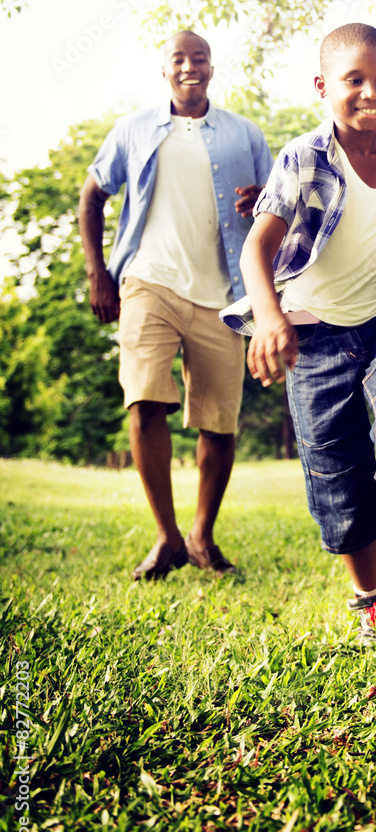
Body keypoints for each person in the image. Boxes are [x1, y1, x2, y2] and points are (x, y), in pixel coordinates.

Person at [223, 23, 376, 649]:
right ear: (322, 86)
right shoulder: (304, 157)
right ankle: (369, 597)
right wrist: (271, 317)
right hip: (314, 331)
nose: (371, 92)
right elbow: (259, 247)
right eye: (354, 80)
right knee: (335, 466)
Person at [79, 30, 273, 582]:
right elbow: (92, 196)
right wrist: (99, 273)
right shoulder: (133, 130)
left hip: (224, 294)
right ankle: (165, 537)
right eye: (179, 59)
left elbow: (277, 209)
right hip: (148, 281)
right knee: (144, 401)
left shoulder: (245, 134)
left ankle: (201, 536)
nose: (190, 67)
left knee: (219, 422)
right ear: (164, 69)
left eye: (200, 58)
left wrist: (260, 204)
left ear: (212, 67)